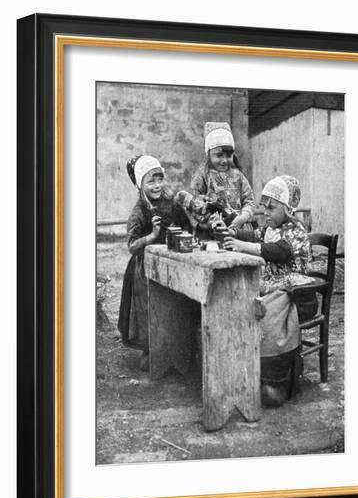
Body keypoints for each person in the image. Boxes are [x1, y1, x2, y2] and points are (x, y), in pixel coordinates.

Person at [214, 175, 316, 406]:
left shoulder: (295, 231)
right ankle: (250, 370)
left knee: (269, 316)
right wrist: (232, 233)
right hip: (275, 288)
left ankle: (277, 380)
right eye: (263, 207)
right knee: (245, 303)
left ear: (288, 209)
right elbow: (253, 235)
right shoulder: (270, 228)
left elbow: (277, 251)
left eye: (272, 207)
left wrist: (242, 246)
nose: (265, 212)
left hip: (298, 294)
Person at [118, 155, 191, 370]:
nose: (157, 185)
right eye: (151, 181)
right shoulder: (139, 212)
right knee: (149, 308)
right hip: (145, 269)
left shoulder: (171, 204)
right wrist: (152, 235)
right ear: (141, 184)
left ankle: (175, 349)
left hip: (171, 263)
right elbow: (132, 246)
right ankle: (150, 349)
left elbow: (186, 226)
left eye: (160, 179)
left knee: (173, 305)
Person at [175, 122, 256, 236]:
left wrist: (242, 217)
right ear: (208, 154)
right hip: (211, 232)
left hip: (239, 230)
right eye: (219, 155)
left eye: (228, 156)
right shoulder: (202, 176)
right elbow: (192, 206)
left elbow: (249, 201)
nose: (224, 160)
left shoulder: (238, 176)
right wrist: (203, 224)